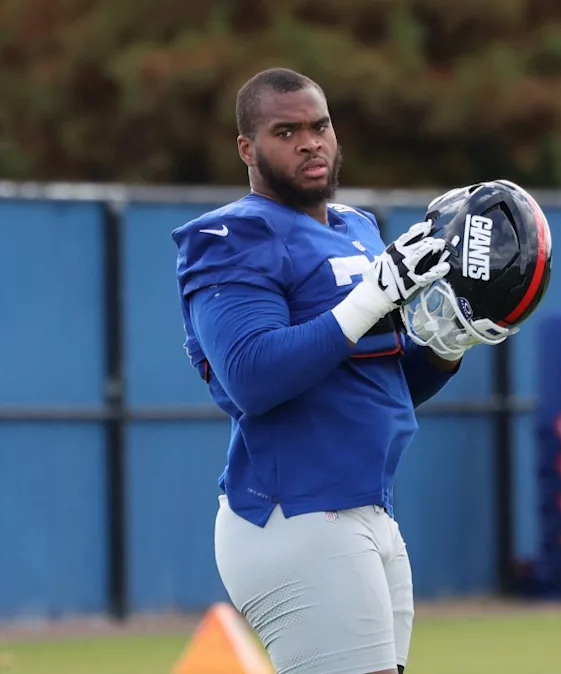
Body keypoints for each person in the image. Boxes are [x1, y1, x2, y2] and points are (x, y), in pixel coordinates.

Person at [172, 68, 475, 674]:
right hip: (294, 514)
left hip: (370, 508)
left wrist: (453, 336)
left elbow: (387, 386)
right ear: (247, 148)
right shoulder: (229, 236)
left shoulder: (358, 229)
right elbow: (252, 377)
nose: (311, 142)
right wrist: (374, 295)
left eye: (320, 125)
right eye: (286, 131)